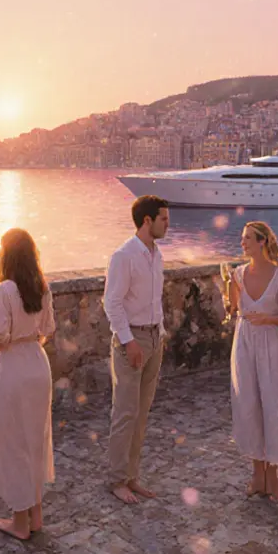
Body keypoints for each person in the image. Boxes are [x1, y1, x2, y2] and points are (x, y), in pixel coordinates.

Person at [0, 228, 56, 540]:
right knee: (35, 439)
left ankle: (19, 522)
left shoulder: (2, 290)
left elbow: (1, 339)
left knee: (14, 443)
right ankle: (36, 513)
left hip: (14, 370)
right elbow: (46, 329)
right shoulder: (41, 287)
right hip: (38, 363)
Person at [224, 222, 278, 501]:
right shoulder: (237, 273)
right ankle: (258, 474)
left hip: (271, 344)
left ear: (262, 242)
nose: (242, 242)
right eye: (242, 237)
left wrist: (268, 318)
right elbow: (234, 310)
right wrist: (228, 298)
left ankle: (273, 476)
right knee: (248, 404)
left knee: (274, 406)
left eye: (247, 238)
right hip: (244, 343)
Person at [103, 195, 169, 505]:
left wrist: (162, 332)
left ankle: (132, 476)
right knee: (125, 414)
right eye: (164, 219)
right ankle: (117, 480)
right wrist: (128, 341)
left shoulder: (156, 255)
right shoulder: (124, 256)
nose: (167, 224)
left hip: (155, 339)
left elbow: (155, 300)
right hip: (133, 341)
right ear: (147, 221)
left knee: (141, 415)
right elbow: (112, 303)